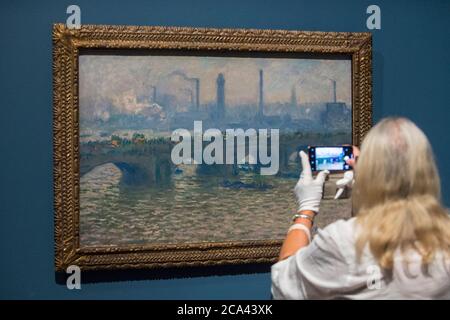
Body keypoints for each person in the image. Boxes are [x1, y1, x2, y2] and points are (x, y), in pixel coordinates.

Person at [271, 117, 450, 299]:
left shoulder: (344, 240)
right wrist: (364, 193)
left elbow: (283, 284)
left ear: (368, 169)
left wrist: (306, 209)